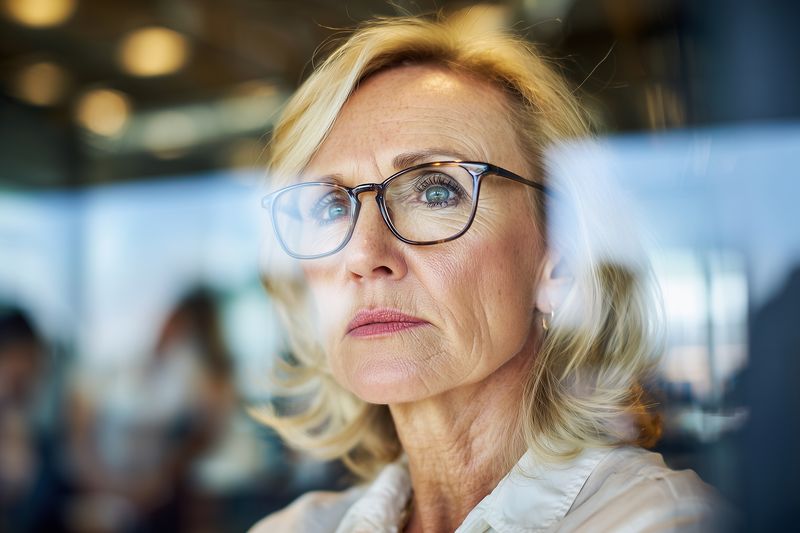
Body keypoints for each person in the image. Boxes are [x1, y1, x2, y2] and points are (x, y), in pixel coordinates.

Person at [251, 11, 720, 532]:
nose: (362, 255)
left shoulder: (660, 520)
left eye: (435, 192)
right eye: (330, 207)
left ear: (558, 260)